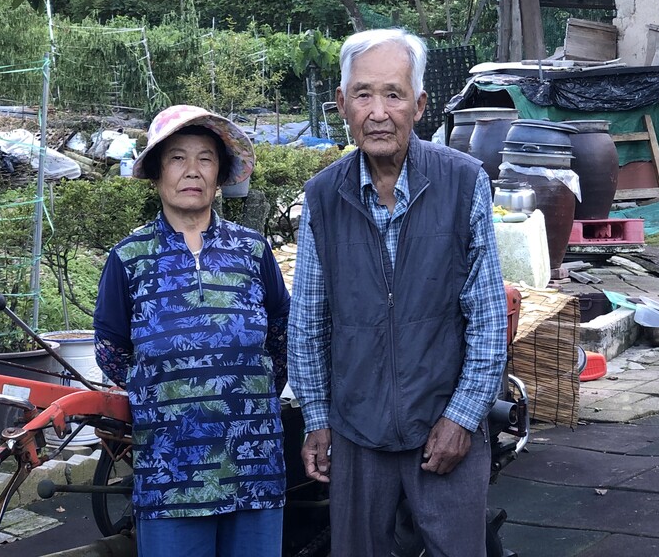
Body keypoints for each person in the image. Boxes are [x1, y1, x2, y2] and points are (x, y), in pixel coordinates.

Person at [288, 28, 510, 557]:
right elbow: (308, 322)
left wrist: (462, 417)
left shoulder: (463, 182)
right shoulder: (323, 197)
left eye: (394, 94)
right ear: (342, 105)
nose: (379, 111)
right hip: (356, 429)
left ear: (420, 105)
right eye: (363, 94)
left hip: (444, 423)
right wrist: (317, 418)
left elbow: (487, 318)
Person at [94, 104, 290, 557]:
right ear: (158, 172)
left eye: (205, 158)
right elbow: (110, 349)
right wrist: (163, 395)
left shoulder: (251, 251)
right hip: (171, 471)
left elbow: (280, 332)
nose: (192, 171)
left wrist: (249, 393)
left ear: (220, 175)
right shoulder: (129, 258)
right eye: (177, 158)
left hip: (253, 464)